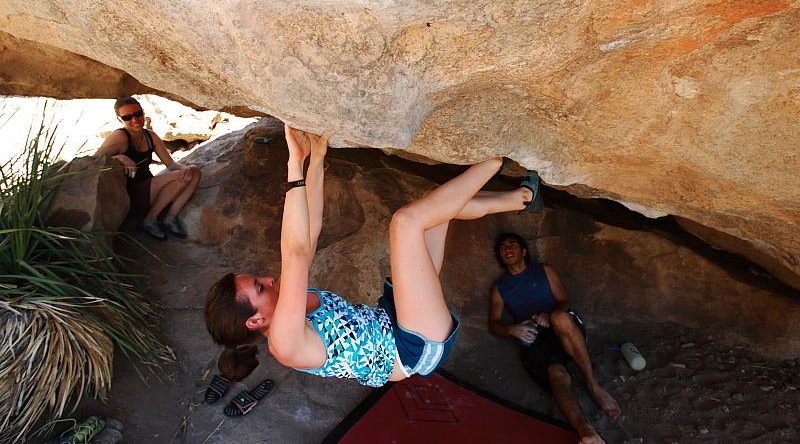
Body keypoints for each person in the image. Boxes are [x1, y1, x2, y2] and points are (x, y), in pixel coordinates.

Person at [204, 127, 545, 404]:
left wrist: (317, 159)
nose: (267, 278)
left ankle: (524, 199)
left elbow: (309, 232)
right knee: (407, 222)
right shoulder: (285, 342)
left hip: (393, 315)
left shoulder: (283, 303)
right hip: (410, 347)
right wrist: (294, 166)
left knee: (438, 210)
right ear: (256, 320)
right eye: (259, 287)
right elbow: (294, 252)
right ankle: (500, 152)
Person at [488, 233, 621, 444]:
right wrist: (511, 330)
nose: (507, 248)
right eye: (503, 247)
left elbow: (564, 301)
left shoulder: (544, 270)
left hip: (562, 329)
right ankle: (585, 431)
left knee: (561, 317)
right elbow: (493, 325)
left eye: (513, 244)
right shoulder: (500, 288)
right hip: (535, 337)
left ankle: (593, 384)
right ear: (501, 256)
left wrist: (549, 316)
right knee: (555, 373)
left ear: (523, 251)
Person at [94, 96, 201, 239]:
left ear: (143, 113)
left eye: (138, 114)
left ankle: (170, 218)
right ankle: (149, 220)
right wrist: (119, 157)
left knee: (194, 171)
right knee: (180, 177)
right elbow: (94, 160)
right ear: (120, 120)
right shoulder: (119, 136)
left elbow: (170, 164)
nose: (134, 120)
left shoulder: (150, 136)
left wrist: (183, 167)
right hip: (131, 195)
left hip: (150, 188)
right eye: (127, 117)